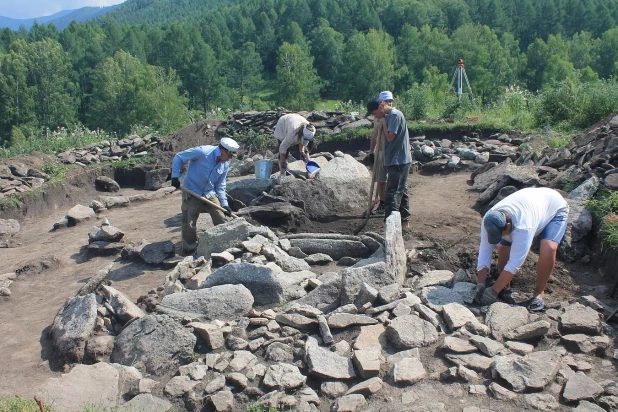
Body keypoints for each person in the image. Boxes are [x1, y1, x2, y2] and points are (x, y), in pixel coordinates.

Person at [474, 187, 569, 311]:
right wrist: (480, 283)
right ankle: (505, 288)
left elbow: (514, 264)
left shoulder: (524, 227)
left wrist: (492, 291)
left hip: (555, 208)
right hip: (533, 203)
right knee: (502, 246)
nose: (500, 236)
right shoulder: (489, 219)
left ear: (508, 225)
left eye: (501, 234)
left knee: (548, 248)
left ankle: (539, 293)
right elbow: (484, 251)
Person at [171, 137, 239, 255]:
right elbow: (179, 157)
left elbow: (220, 185)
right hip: (192, 191)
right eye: (230, 155)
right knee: (189, 223)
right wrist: (174, 177)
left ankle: (225, 244)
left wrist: (225, 204)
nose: (231, 158)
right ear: (223, 151)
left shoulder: (225, 163)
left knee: (221, 218)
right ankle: (189, 250)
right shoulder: (203, 152)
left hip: (209, 192)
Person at [366, 97, 412, 227]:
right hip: (393, 159)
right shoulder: (387, 116)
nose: (375, 116)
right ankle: (404, 222)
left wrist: (384, 124)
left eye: (375, 113)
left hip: (399, 161)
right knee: (401, 191)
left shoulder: (395, 115)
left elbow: (390, 137)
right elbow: (377, 135)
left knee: (392, 193)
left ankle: (390, 225)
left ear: (381, 107)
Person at [367, 91, 394, 215]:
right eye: (386, 101)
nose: (389, 103)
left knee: (393, 180)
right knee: (380, 179)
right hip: (381, 150)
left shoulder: (393, 115)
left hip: (391, 151)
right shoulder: (377, 117)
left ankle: (392, 204)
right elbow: (374, 136)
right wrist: (371, 152)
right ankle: (382, 203)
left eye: (390, 101)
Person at [274, 113, 316, 177]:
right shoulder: (292, 134)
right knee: (285, 153)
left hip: (296, 119)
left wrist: (302, 153)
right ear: (302, 133)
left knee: (305, 152)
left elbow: (303, 145)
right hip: (283, 123)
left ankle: (310, 171)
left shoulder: (311, 129)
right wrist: (282, 161)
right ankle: (282, 173)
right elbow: (282, 148)